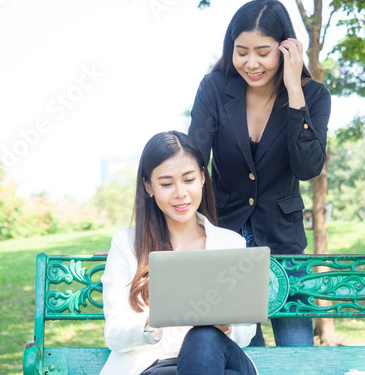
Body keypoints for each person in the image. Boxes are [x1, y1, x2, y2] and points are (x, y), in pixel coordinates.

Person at [188, 0, 331, 347]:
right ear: (230, 49)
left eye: (263, 52)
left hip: (283, 240)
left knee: (297, 353)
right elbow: (192, 159)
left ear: (285, 49)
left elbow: (308, 167)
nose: (251, 63)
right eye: (241, 52)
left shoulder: (314, 95)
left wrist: (294, 87)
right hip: (224, 235)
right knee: (243, 353)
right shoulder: (214, 89)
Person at [99, 131, 258, 375]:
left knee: (203, 335)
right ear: (148, 185)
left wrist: (223, 324)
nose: (180, 193)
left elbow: (246, 333)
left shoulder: (230, 243)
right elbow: (114, 334)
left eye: (189, 179)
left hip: (220, 359)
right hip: (155, 366)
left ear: (203, 177)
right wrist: (154, 321)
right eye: (166, 184)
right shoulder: (126, 243)